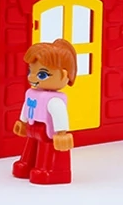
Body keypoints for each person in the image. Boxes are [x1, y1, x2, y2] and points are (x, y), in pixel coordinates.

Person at [12, 38, 77, 185]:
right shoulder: (32, 93)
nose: (31, 77)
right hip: (32, 127)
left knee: (45, 149)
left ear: (63, 76)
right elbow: (27, 106)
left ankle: (48, 169)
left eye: (42, 74)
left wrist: (61, 133)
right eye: (30, 71)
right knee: (31, 145)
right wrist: (22, 122)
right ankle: (27, 163)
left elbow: (60, 116)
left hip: (47, 132)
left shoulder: (55, 100)